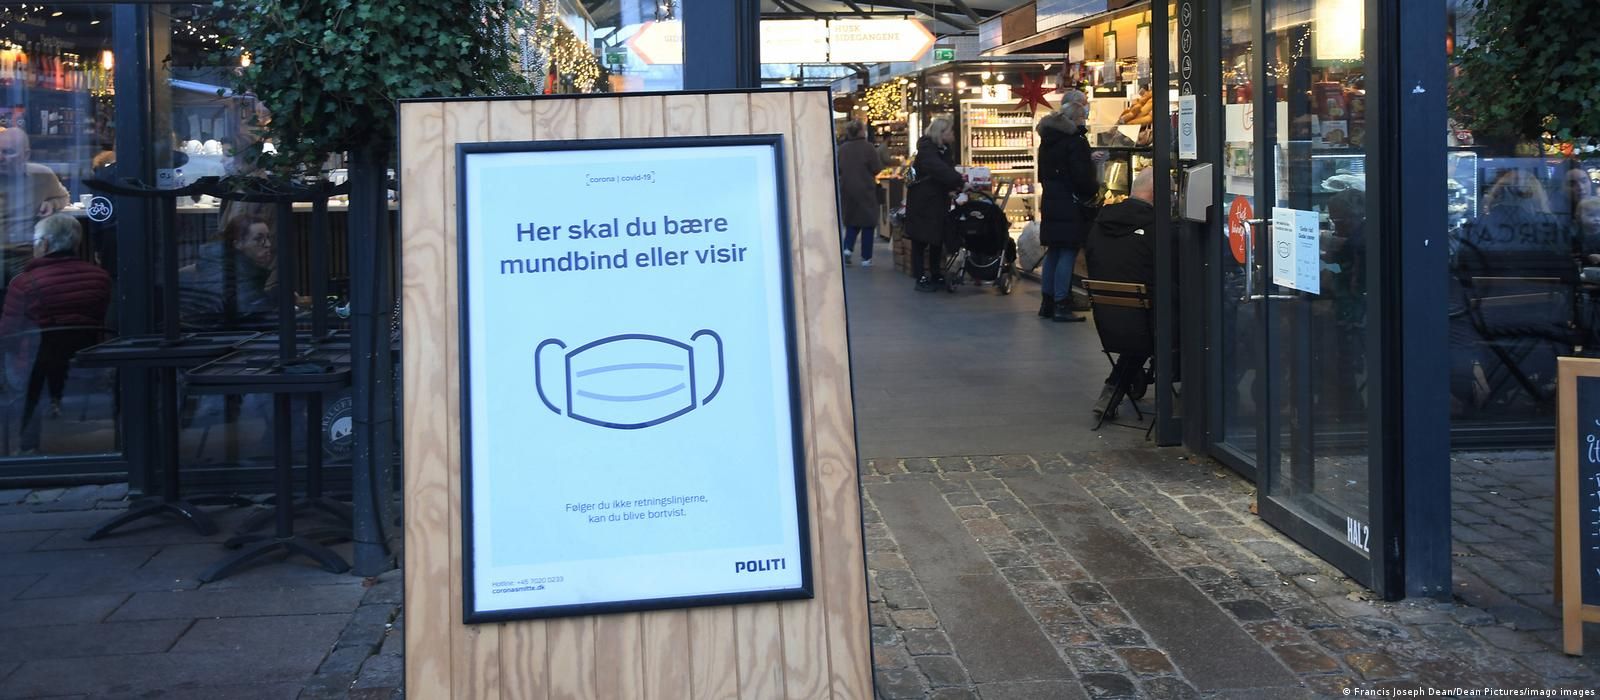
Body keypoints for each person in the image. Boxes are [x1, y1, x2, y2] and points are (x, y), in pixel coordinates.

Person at [0, 214, 110, 452]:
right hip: (85, 357)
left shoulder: (24, 283)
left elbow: (8, 333)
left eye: (35, 241)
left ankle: (27, 445)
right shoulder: (100, 277)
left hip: (35, 364)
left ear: (45, 244)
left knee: (22, 358)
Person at [1085, 168, 1155, 416]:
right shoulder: (1156, 228)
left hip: (1107, 321)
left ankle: (1112, 391)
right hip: (1145, 325)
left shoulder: (1100, 224)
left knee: (1140, 321)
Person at [1036, 90, 1100, 322]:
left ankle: (1047, 301)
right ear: (1075, 119)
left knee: (1054, 251)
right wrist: (1093, 189)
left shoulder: (1048, 140)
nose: (1085, 120)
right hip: (1070, 204)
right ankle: (1062, 303)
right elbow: (1081, 177)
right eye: (1083, 117)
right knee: (1068, 251)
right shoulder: (1075, 142)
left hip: (1052, 201)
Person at [179, 214, 279, 329]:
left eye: (268, 238)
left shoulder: (238, 266)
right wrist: (275, 297)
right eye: (258, 239)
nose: (268, 244)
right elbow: (245, 312)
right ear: (237, 244)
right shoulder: (222, 269)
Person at [0, 128, 69, 284]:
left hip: (26, 255)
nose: (0, 157)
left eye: (8, 152)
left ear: (26, 155)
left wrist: (52, 203)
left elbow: (64, 197)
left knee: (35, 291)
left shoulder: (42, 175)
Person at [905, 116, 964, 292]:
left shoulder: (944, 149)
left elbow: (946, 170)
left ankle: (936, 273)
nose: (953, 134)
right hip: (923, 201)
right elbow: (939, 169)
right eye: (950, 131)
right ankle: (920, 277)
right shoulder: (927, 149)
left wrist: (953, 187)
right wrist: (958, 181)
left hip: (937, 200)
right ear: (941, 133)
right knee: (921, 239)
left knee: (936, 237)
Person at [837, 119, 883, 268]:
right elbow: (876, 168)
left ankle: (847, 248)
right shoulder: (868, 148)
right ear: (861, 131)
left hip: (847, 190)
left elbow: (838, 169)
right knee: (868, 224)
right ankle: (866, 258)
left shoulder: (842, 149)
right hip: (866, 189)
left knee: (852, 221)